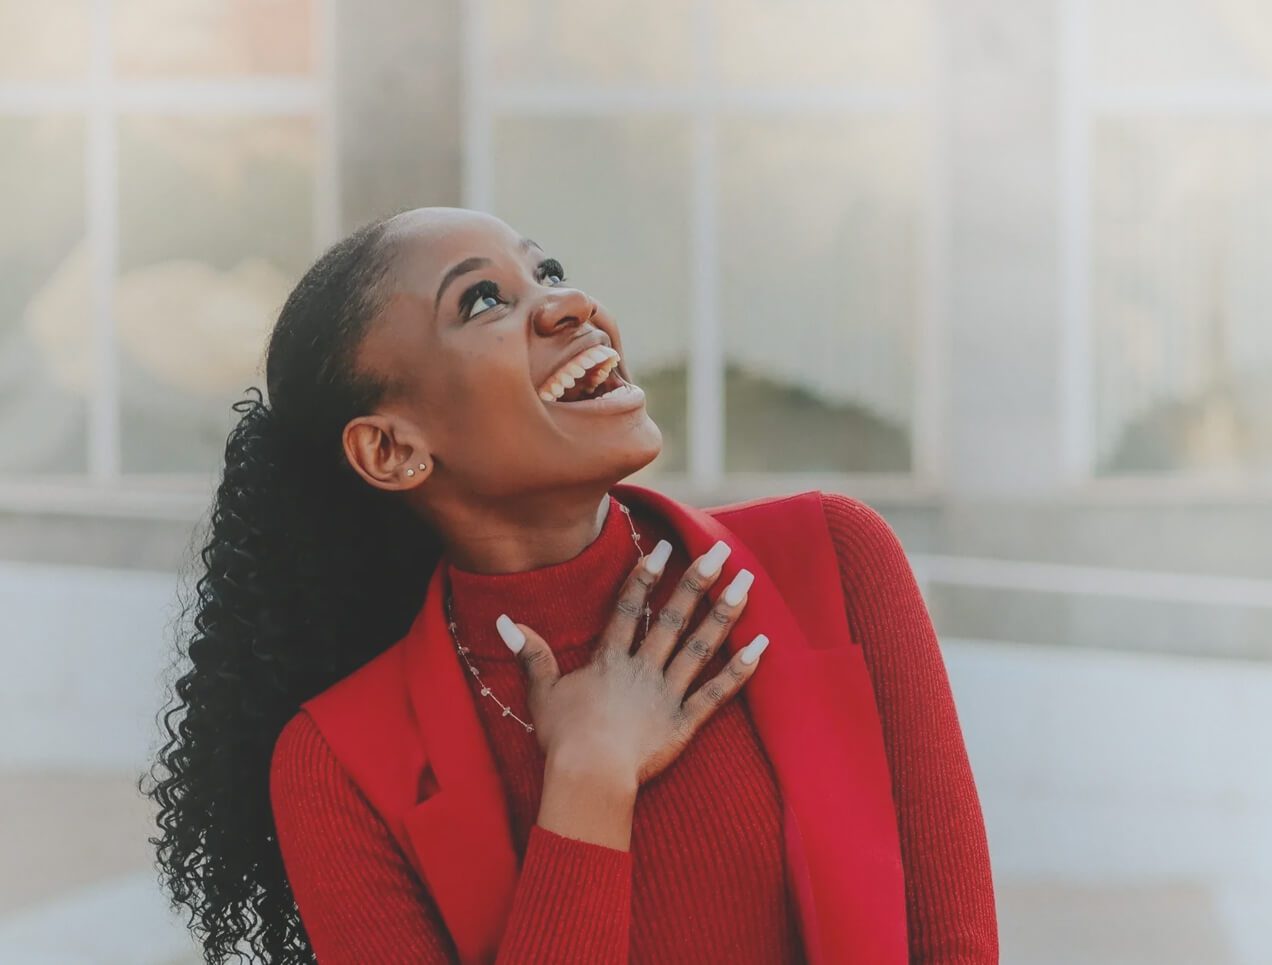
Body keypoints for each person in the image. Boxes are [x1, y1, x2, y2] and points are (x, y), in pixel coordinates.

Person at [142, 207, 998, 963]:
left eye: (547, 271)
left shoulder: (834, 562)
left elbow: (956, 948)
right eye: (484, 300)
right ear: (391, 449)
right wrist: (590, 777)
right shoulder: (337, 768)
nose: (568, 304)